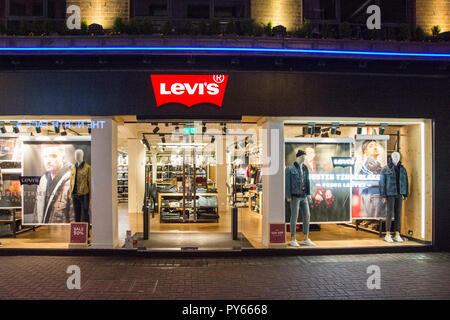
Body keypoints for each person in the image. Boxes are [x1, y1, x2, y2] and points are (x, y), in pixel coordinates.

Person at [33, 145, 74, 224]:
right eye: (45, 156)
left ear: (63, 158)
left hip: (63, 233)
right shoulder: (43, 181)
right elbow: (36, 214)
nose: (48, 160)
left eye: (53, 156)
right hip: (42, 232)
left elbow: (76, 217)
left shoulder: (72, 181)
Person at [285, 149, 315, 247]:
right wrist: (288, 196)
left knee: (307, 216)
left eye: (305, 157)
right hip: (294, 197)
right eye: (302, 157)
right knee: (294, 217)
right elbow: (287, 184)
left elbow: (307, 182)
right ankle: (293, 238)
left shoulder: (306, 168)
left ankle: (305, 237)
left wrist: (309, 194)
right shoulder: (290, 169)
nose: (304, 159)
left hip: (304, 196)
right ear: (298, 157)